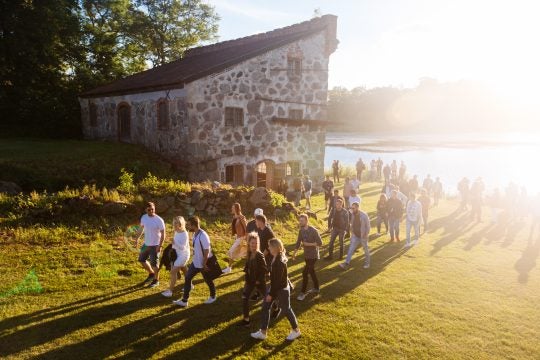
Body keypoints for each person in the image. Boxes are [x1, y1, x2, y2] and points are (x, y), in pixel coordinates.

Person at [251, 238, 301, 341]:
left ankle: (296, 331)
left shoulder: (278, 261)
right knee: (265, 307)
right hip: (277, 287)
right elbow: (276, 276)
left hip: (281, 289)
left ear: (275, 247)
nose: (268, 248)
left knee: (286, 309)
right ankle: (263, 332)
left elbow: (277, 281)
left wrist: (271, 294)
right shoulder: (277, 256)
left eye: (269, 246)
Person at [173, 216, 217, 307]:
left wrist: (204, 264)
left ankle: (213, 296)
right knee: (188, 277)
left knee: (208, 280)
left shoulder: (203, 235)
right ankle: (184, 301)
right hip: (196, 262)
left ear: (194, 225)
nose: (187, 226)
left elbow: (207, 251)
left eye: (189, 225)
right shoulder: (194, 234)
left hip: (203, 263)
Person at [237, 232, 268, 327]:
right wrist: (247, 276)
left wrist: (259, 280)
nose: (254, 245)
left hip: (259, 281)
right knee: (245, 298)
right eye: (252, 243)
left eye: (256, 243)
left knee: (267, 297)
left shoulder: (259, 255)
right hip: (250, 281)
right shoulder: (249, 253)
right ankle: (246, 320)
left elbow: (264, 269)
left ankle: (275, 308)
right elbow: (247, 266)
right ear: (249, 243)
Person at [293, 214, 323, 300]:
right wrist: (294, 253)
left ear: (306, 221)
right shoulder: (301, 231)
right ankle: (316, 288)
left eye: (302, 221)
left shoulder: (313, 230)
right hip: (306, 255)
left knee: (305, 273)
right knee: (312, 271)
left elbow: (320, 243)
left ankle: (302, 293)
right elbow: (298, 242)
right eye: (300, 220)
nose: (300, 222)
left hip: (313, 256)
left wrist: (308, 244)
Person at [137, 202, 166, 288]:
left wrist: (160, 246)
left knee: (154, 264)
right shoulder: (144, 217)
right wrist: (137, 238)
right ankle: (151, 274)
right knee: (141, 260)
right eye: (149, 210)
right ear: (146, 210)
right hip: (146, 244)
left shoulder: (159, 220)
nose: (151, 211)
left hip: (155, 245)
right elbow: (141, 228)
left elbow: (163, 234)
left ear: (154, 208)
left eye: (153, 209)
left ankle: (156, 280)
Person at [161, 216, 190, 298]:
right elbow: (175, 245)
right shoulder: (176, 232)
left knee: (173, 272)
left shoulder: (184, 233)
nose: (174, 225)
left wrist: (174, 243)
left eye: (176, 223)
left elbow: (183, 247)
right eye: (173, 223)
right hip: (177, 254)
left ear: (181, 224)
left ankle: (170, 291)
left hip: (184, 254)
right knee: (184, 269)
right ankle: (190, 285)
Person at [340, 202, 371, 269]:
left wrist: (366, 234)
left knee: (365, 249)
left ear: (357, 207)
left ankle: (367, 263)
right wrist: (352, 231)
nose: (352, 209)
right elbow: (352, 223)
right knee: (351, 249)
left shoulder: (364, 215)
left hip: (363, 235)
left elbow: (368, 226)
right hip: (355, 235)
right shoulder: (353, 214)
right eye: (352, 208)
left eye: (353, 208)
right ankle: (346, 263)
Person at [223, 203, 247, 274]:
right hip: (238, 238)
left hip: (242, 238)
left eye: (233, 208)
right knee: (242, 253)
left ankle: (229, 268)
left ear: (236, 209)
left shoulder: (242, 217)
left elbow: (246, 229)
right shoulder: (235, 217)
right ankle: (230, 267)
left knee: (232, 251)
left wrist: (245, 238)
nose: (231, 209)